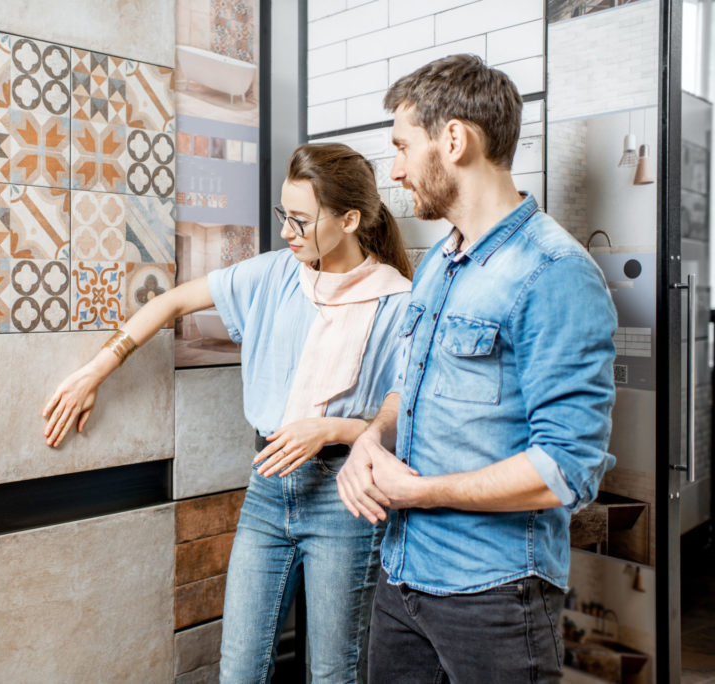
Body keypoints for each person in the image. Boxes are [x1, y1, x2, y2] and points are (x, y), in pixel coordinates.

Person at [43, 143, 412, 682]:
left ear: (350, 219)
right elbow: (170, 303)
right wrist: (97, 370)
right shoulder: (273, 275)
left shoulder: (398, 301)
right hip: (267, 489)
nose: (287, 231)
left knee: (334, 673)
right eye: (284, 216)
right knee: (239, 669)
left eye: (301, 221)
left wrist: (331, 428)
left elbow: (405, 414)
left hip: (345, 497)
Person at [335, 54, 618, 684]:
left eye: (403, 146)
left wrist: (419, 492)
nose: (397, 169)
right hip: (403, 577)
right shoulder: (437, 263)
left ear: (455, 140)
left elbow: (565, 469)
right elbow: (407, 390)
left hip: (495, 595)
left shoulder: (555, 273)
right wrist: (367, 442)